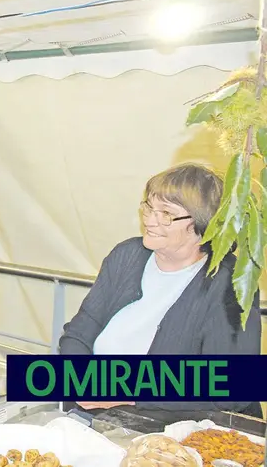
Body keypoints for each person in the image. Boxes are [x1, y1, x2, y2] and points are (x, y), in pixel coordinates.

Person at [59, 163, 261, 415]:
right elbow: (78, 334)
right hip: (100, 417)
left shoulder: (229, 282)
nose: (149, 221)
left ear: (202, 223)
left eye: (166, 213)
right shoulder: (127, 255)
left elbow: (235, 384)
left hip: (177, 433)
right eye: (149, 207)